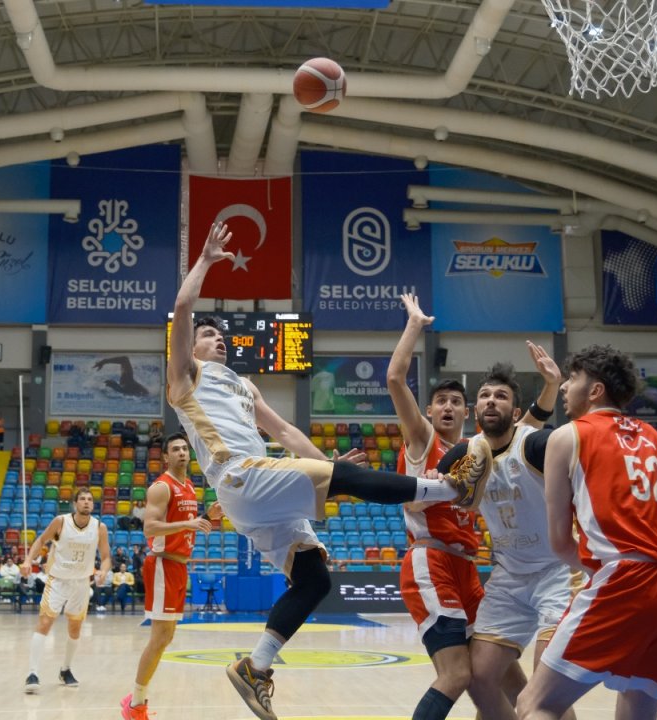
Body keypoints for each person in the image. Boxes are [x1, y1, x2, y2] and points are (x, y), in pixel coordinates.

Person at [168, 223, 491, 720]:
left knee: (315, 580)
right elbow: (183, 306)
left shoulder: (245, 386)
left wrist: (324, 463)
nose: (220, 340)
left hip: (257, 492)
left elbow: (285, 431)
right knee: (347, 483)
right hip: (240, 474)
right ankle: (446, 488)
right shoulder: (186, 375)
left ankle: (255, 667)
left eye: (221, 335)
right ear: (191, 346)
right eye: (210, 335)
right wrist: (207, 260)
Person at [393, 294, 565, 720]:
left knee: (510, 679)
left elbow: (523, 430)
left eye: (457, 402)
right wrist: (414, 324)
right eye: (441, 402)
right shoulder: (424, 440)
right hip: (433, 558)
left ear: (467, 412)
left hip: (471, 567)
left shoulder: (476, 451)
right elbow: (396, 379)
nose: (448, 407)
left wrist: (550, 387)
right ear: (428, 410)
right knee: (459, 674)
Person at [516, 345, 657, 720]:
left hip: (628, 581)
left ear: (595, 390)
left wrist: (601, 573)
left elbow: (560, 543)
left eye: (572, 379)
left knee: (535, 704)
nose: (565, 387)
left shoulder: (566, 437)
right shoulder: (653, 436)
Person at [122, 432, 220, 719]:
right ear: (165, 456)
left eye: (184, 448)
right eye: (175, 449)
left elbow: (186, 525)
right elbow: (150, 528)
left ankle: (135, 698)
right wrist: (188, 523)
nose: (181, 453)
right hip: (162, 564)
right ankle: (135, 704)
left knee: (166, 637)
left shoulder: (189, 486)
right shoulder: (161, 487)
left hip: (178, 566)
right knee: (160, 637)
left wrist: (207, 516)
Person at [22, 488, 112, 693]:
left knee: (75, 628)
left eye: (90, 499)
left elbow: (106, 557)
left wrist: (103, 571)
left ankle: (65, 670)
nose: (86, 502)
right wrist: (28, 560)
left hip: (81, 583)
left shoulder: (100, 527)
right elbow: (41, 540)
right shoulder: (61, 522)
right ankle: (32, 673)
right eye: (82, 499)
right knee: (45, 623)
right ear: (75, 503)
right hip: (58, 581)